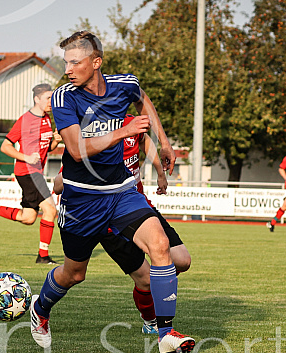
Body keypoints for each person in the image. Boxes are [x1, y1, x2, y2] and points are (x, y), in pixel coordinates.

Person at [30, 30, 195, 353]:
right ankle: (40, 308)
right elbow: (76, 151)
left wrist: (163, 143)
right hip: (81, 201)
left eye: (75, 62)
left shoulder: (125, 84)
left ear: (96, 62)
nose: (68, 68)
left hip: (121, 193)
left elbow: (143, 99)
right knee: (74, 273)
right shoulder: (64, 98)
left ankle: (165, 334)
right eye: (66, 62)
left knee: (161, 246)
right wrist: (124, 130)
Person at [53, 114, 192, 336]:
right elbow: (60, 182)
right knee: (144, 279)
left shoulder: (131, 123)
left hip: (140, 207)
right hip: (111, 216)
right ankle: (151, 320)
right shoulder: (90, 135)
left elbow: (145, 140)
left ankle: (155, 285)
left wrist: (160, 173)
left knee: (182, 260)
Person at [0, 83, 62, 265]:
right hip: (28, 172)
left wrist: (56, 141)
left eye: (52, 98)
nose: (51, 102)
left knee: (28, 218)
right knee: (51, 210)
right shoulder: (26, 120)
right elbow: (5, 146)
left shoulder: (46, 119)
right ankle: (43, 256)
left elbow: (46, 149)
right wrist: (26, 157)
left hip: (35, 173)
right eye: (48, 98)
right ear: (37, 99)